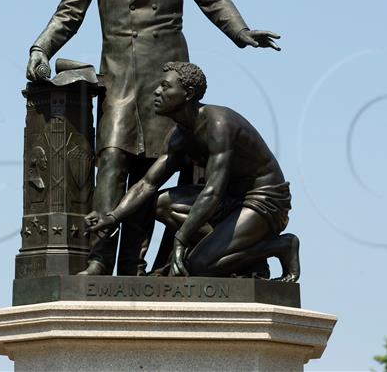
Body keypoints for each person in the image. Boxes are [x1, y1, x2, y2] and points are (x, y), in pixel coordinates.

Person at [26, 0, 281, 276]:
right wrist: (41, 47)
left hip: (168, 84)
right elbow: (69, 13)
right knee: (111, 163)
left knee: (151, 174)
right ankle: (98, 258)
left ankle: (132, 266)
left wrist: (241, 31)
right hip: (121, 82)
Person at [85, 62, 300, 282]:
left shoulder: (218, 124)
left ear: (187, 94)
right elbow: (147, 184)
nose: (157, 92)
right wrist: (113, 216)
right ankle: (229, 252)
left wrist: (181, 240)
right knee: (160, 203)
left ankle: (280, 246)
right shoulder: (179, 135)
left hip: (263, 202)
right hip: (228, 201)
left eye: (165, 87)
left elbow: (213, 191)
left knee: (200, 266)